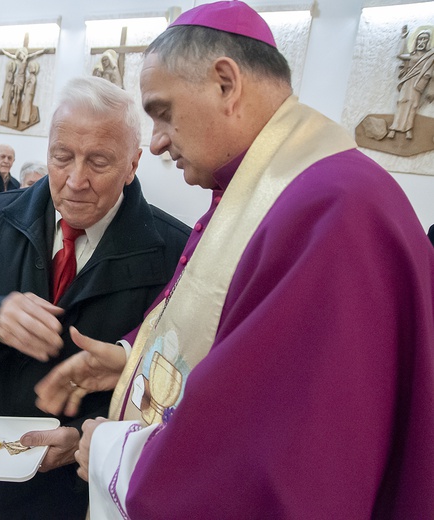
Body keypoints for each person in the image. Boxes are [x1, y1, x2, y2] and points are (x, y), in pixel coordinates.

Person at [34, 3, 434, 518]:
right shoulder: (274, 189)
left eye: (163, 112)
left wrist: (116, 454)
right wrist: (134, 361)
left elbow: (284, 457)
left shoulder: (331, 209)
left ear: (226, 83)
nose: (156, 142)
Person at [0, 76, 190, 520]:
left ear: (132, 164)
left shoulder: (171, 251)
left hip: (82, 486)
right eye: (61, 157)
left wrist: (90, 433)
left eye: (99, 162)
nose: (74, 180)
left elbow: (169, 382)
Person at [387, 28, 434, 140]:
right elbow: (400, 55)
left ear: (428, 42)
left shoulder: (430, 56)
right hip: (408, 81)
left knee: (413, 105)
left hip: (419, 84)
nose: (422, 42)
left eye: (425, 40)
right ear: (416, 42)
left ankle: (408, 130)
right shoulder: (412, 56)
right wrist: (404, 37)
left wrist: (431, 89)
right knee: (402, 102)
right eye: (420, 39)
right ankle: (393, 129)